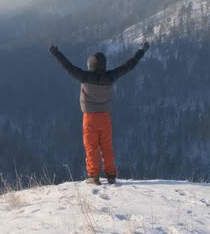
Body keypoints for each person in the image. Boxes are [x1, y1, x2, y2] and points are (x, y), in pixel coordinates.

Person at [48, 42, 149, 185]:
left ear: (91, 65)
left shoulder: (84, 76)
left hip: (89, 118)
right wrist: (141, 50)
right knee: (106, 146)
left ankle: (94, 177)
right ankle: (111, 175)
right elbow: (129, 65)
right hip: (105, 117)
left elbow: (67, 66)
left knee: (91, 147)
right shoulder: (110, 76)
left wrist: (56, 53)